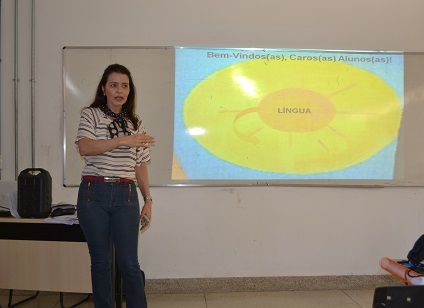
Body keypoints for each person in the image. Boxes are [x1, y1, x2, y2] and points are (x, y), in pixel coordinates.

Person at [75, 63, 155, 308]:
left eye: (125, 85)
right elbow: (85, 147)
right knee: (100, 263)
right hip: (93, 194)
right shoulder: (90, 114)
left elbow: (140, 165)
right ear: (104, 88)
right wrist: (124, 141)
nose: (119, 90)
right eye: (113, 85)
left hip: (126, 195)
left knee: (129, 264)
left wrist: (148, 200)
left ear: (129, 91)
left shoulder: (136, 123)